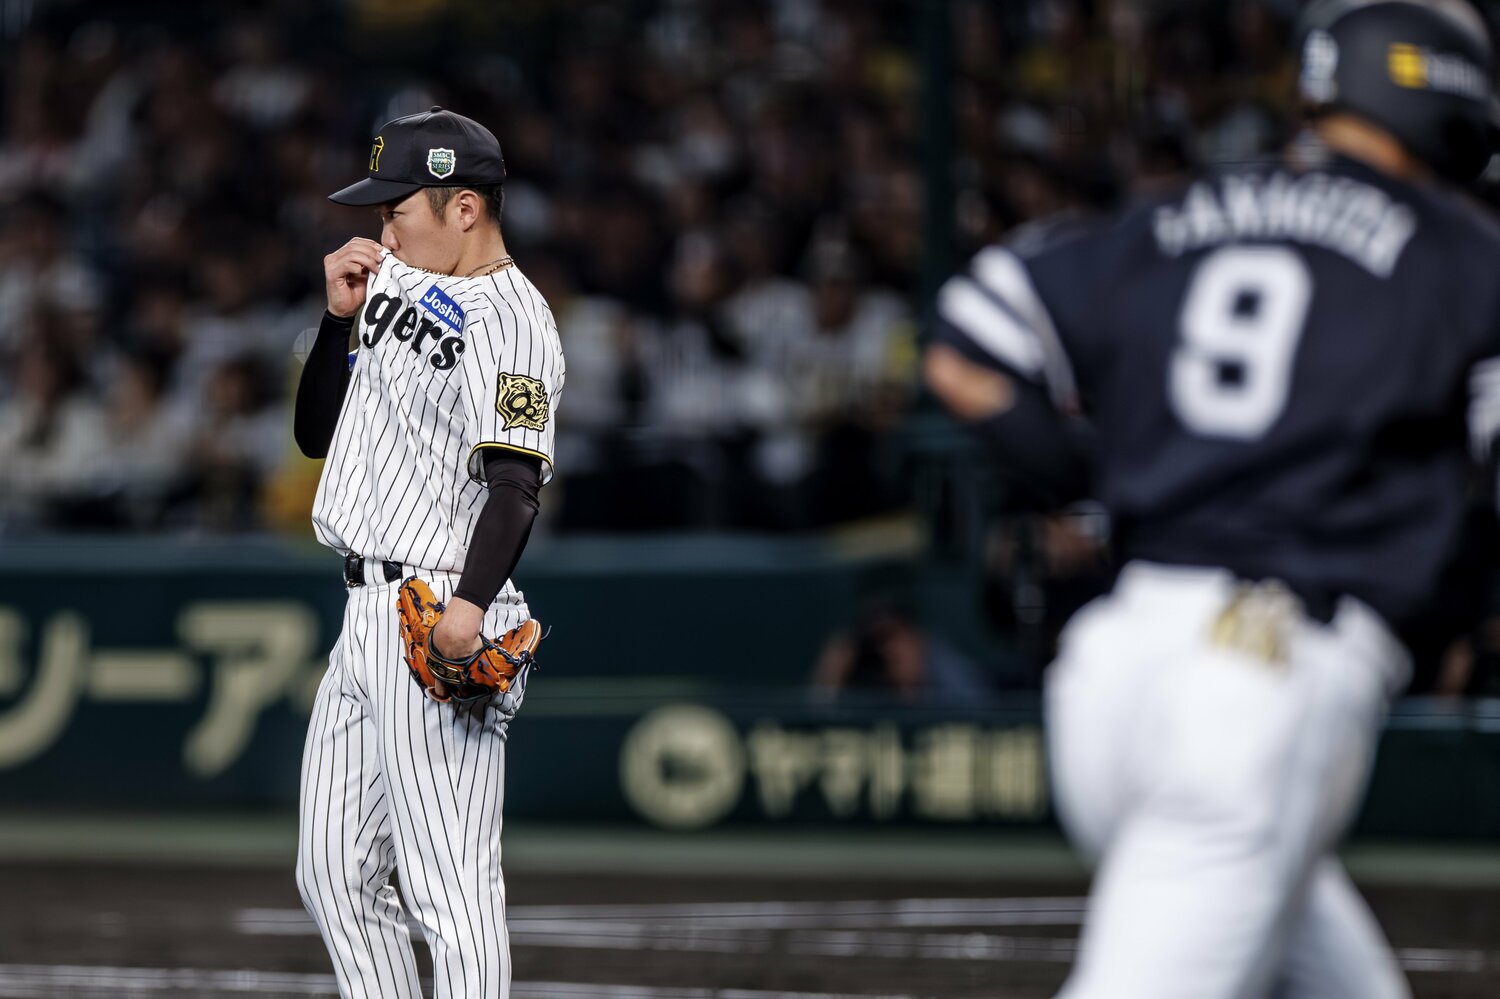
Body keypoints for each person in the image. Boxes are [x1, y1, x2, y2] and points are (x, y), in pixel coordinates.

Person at [924, 1, 1498, 996]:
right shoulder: (1461, 253)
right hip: (1261, 686)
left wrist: (1107, 481)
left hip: (1119, 665)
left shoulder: (1172, 218)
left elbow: (964, 349)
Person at [292, 106, 563, 999]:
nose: (384, 229)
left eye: (398, 209)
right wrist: (337, 324)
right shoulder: (396, 281)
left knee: (451, 891)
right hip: (363, 610)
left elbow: (516, 485)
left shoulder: (518, 322)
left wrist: (469, 611)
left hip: (440, 602)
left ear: (464, 208)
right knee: (331, 873)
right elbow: (313, 434)